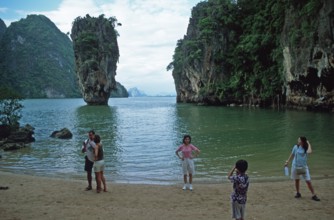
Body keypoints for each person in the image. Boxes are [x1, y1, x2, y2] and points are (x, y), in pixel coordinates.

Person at [284, 136, 320, 201]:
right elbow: (292, 154)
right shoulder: (296, 147)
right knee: (297, 180)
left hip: (304, 167)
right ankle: (298, 193)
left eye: (299, 140)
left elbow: (309, 152)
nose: (298, 141)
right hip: (295, 166)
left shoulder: (306, 148)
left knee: (308, 181)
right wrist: (287, 162)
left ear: (302, 141)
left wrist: (308, 143)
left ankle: (313, 195)